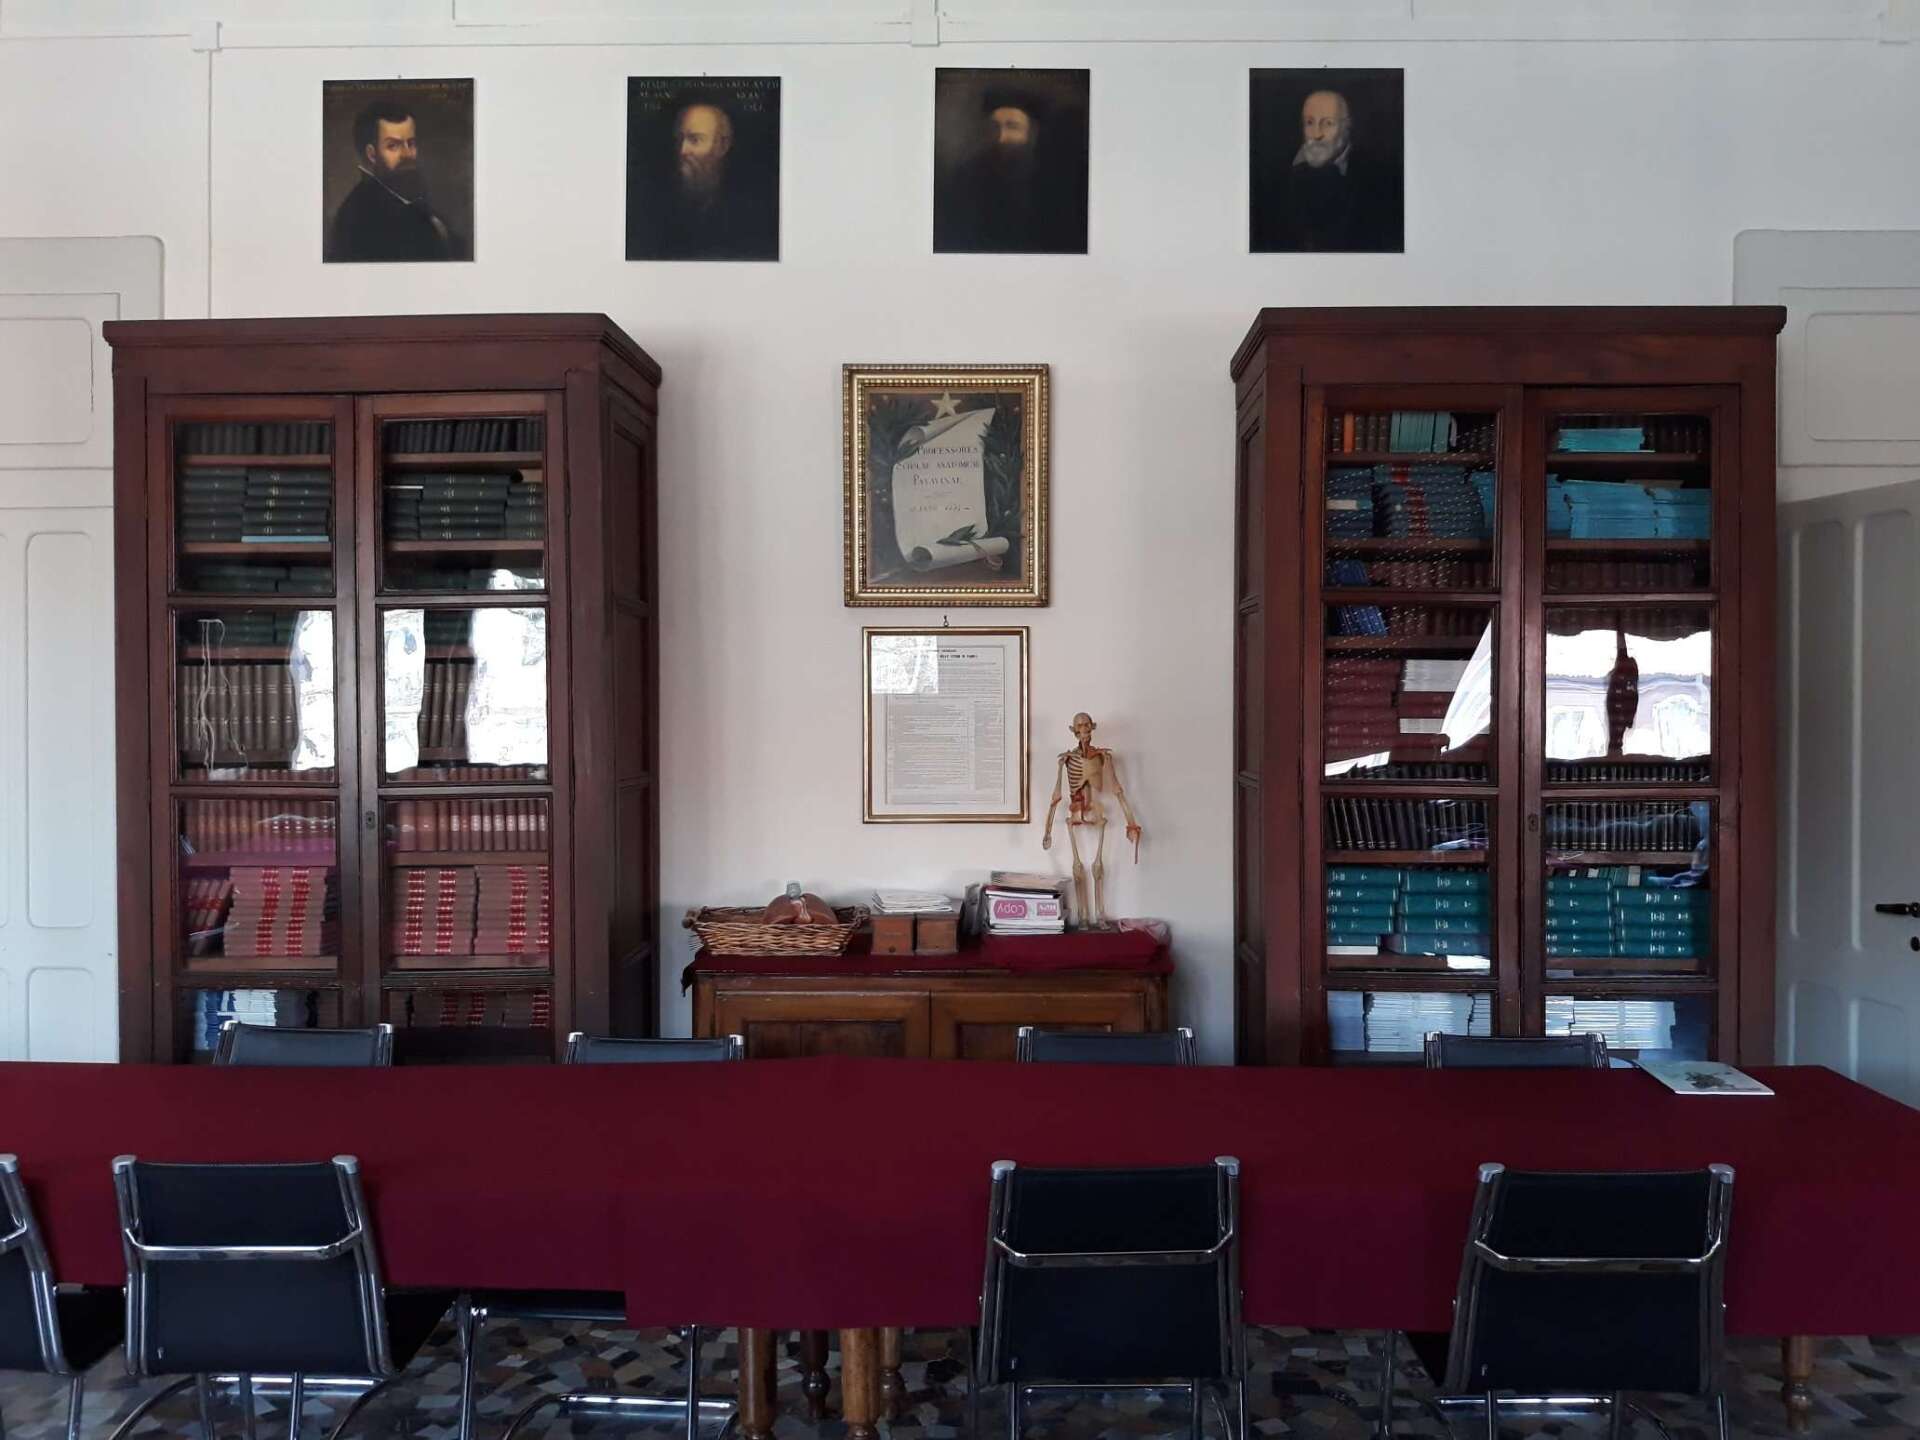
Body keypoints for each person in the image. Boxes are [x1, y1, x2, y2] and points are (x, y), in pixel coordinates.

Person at [934, 85, 1087, 254]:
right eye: (994, 127)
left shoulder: (1056, 181)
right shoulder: (965, 177)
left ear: (1033, 133)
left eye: (1013, 127)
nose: (1000, 137)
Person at [1252, 87, 1403, 253]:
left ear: (1346, 128)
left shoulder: (1379, 178)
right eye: (1309, 122)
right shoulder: (1274, 176)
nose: (1316, 134)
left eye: (1328, 123)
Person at [627, 99, 778, 260]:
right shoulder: (654, 205)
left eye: (695, 139)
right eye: (679, 140)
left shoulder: (752, 212)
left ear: (722, 146)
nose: (682, 150)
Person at [325, 100, 464, 263]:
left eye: (411, 143)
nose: (407, 154)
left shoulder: (408, 198)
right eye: (393, 146)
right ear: (372, 154)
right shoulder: (360, 216)